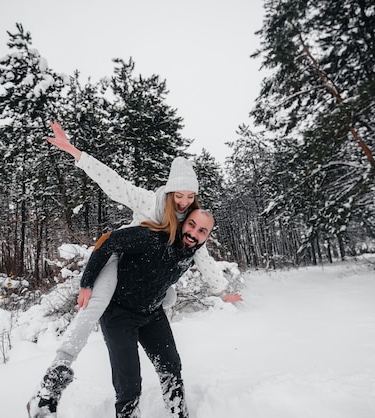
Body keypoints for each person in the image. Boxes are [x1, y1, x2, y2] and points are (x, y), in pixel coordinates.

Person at [27, 122, 241, 417]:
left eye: (189, 196)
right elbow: (114, 184)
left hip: (150, 296)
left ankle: (178, 411)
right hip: (120, 257)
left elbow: (204, 260)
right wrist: (76, 153)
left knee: (168, 315)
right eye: (179, 194)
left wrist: (221, 291)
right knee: (95, 307)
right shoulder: (152, 202)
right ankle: (51, 383)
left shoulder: (192, 224)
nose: (183, 201)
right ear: (169, 190)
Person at [87, 208, 216, 417]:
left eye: (202, 230)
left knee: (171, 367)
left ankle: (178, 414)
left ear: (207, 236)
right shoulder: (152, 238)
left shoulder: (190, 253)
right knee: (128, 385)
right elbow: (107, 240)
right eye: (191, 225)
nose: (194, 233)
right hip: (118, 314)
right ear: (183, 222)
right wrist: (87, 284)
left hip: (152, 313)